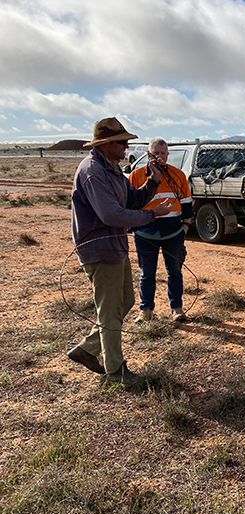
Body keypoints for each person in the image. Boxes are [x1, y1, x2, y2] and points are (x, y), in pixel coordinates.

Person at [68, 117, 172, 386]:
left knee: (124, 302)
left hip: (115, 247)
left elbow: (132, 199)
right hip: (99, 250)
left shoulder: (112, 169)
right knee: (109, 308)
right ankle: (116, 370)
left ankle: (87, 349)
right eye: (123, 142)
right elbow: (112, 214)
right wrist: (151, 215)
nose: (127, 146)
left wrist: (153, 181)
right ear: (107, 144)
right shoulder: (92, 171)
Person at [129, 138, 193, 323]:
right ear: (149, 154)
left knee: (174, 271)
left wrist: (185, 228)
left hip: (173, 233)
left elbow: (187, 204)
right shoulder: (137, 175)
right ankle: (146, 310)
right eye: (156, 153)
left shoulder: (178, 175)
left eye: (164, 153)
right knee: (147, 273)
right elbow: (131, 205)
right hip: (145, 233)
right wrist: (135, 228)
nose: (161, 157)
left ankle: (177, 308)